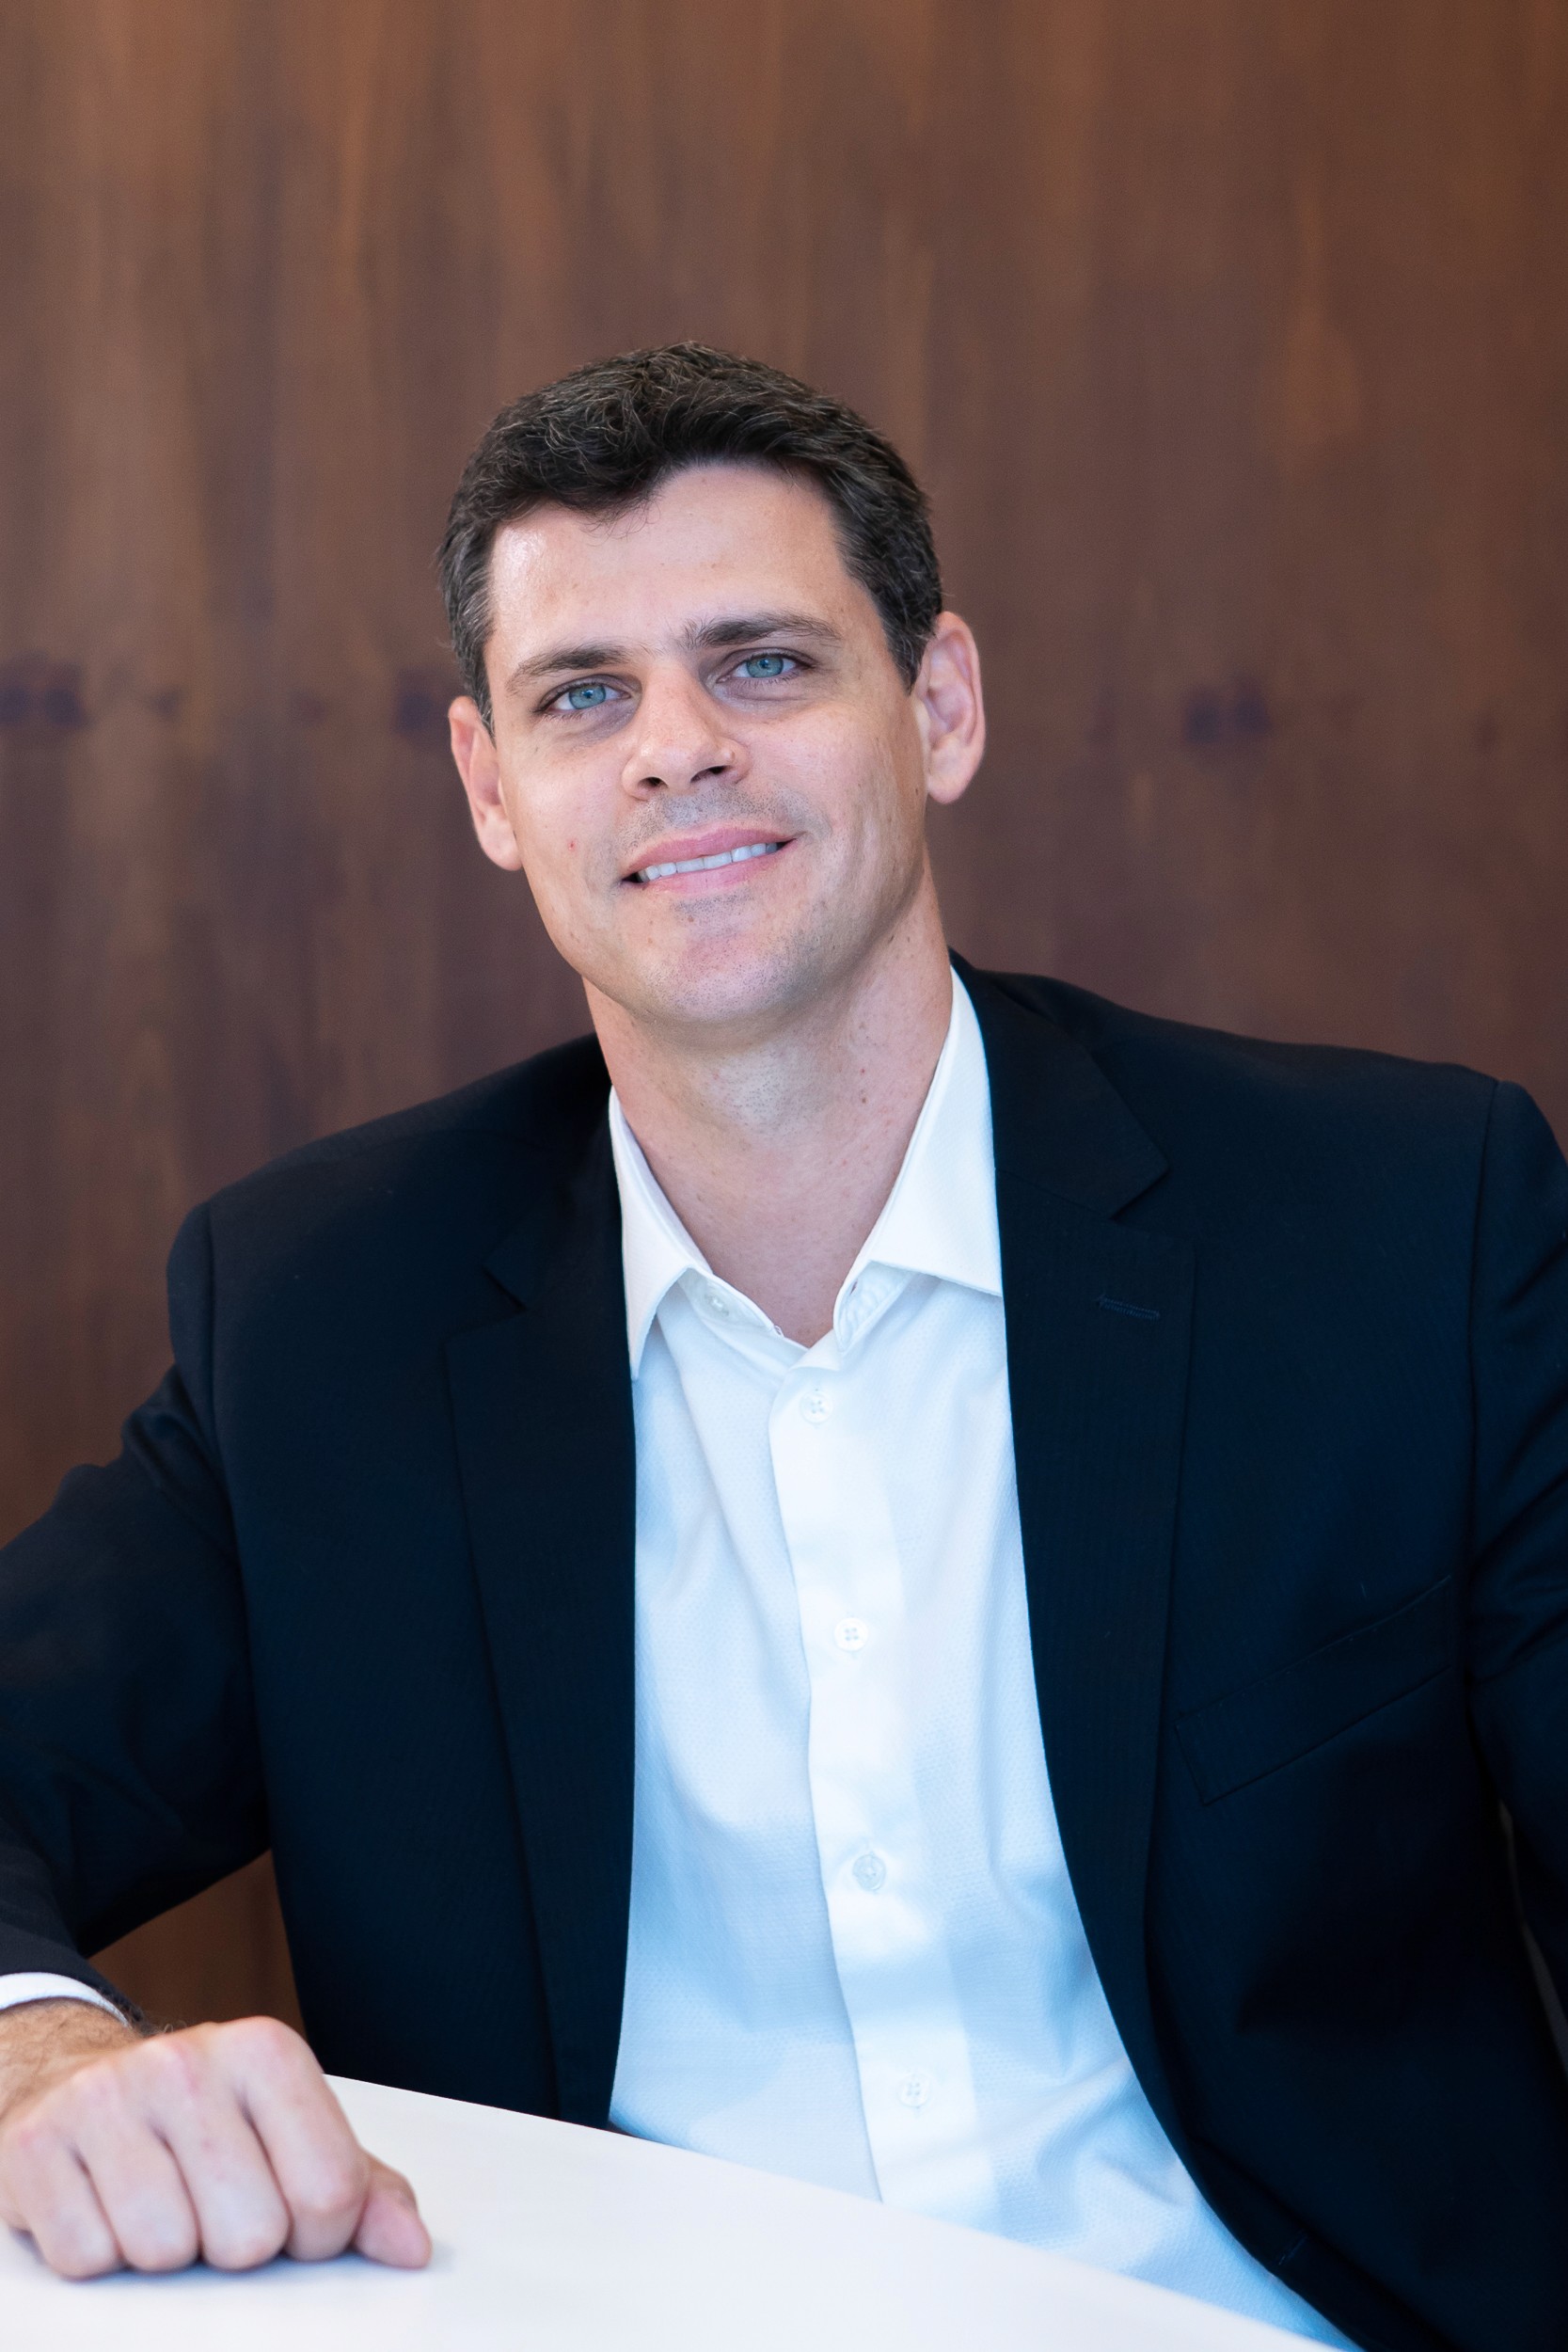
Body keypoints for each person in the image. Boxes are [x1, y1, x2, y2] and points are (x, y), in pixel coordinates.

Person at [0, 345, 1563, 2352]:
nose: (675, 750)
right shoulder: (324, 1322)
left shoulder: (1398, 1229)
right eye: (584, 695)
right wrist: (37, 2050)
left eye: (761, 662)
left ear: (941, 706)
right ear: (491, 788)